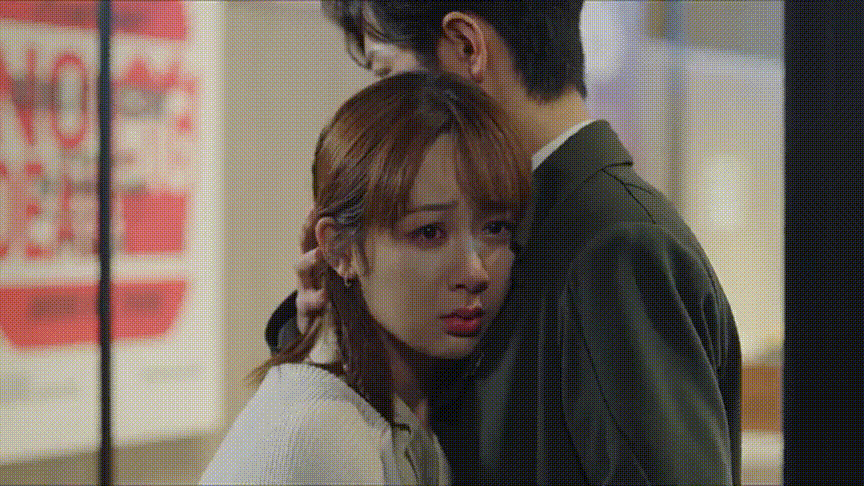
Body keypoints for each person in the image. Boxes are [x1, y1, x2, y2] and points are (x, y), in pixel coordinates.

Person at [266, 1, 742, 484]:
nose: (384, 106)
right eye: (430, 233)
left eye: (387, 73)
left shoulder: (608, 245)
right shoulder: (538, 227)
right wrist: (332, 324)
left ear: (466, 47)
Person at [201, 71, 531, 485]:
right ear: (341, 249)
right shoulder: (324, 433)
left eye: (495, 228)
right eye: (429, 232)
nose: (475, 272)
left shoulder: (410, 412)